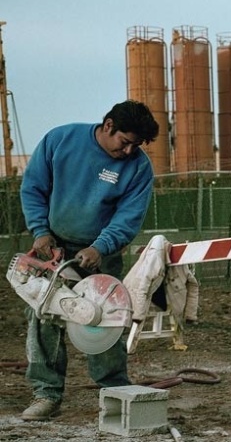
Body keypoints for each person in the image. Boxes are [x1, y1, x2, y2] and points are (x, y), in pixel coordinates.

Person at [19, 100, 159, 421]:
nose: (128, 152)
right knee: (45, 318)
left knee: (106, 319)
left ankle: (114, 389)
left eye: (135, 146)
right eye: (125, 143)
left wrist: (100, 247)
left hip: (101, 254)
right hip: (53, 247)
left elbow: (127, 218)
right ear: (108, 126)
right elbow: (33, 188)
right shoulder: (61, 140)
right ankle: (47, 394)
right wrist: (40, 232)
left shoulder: (138, 167)